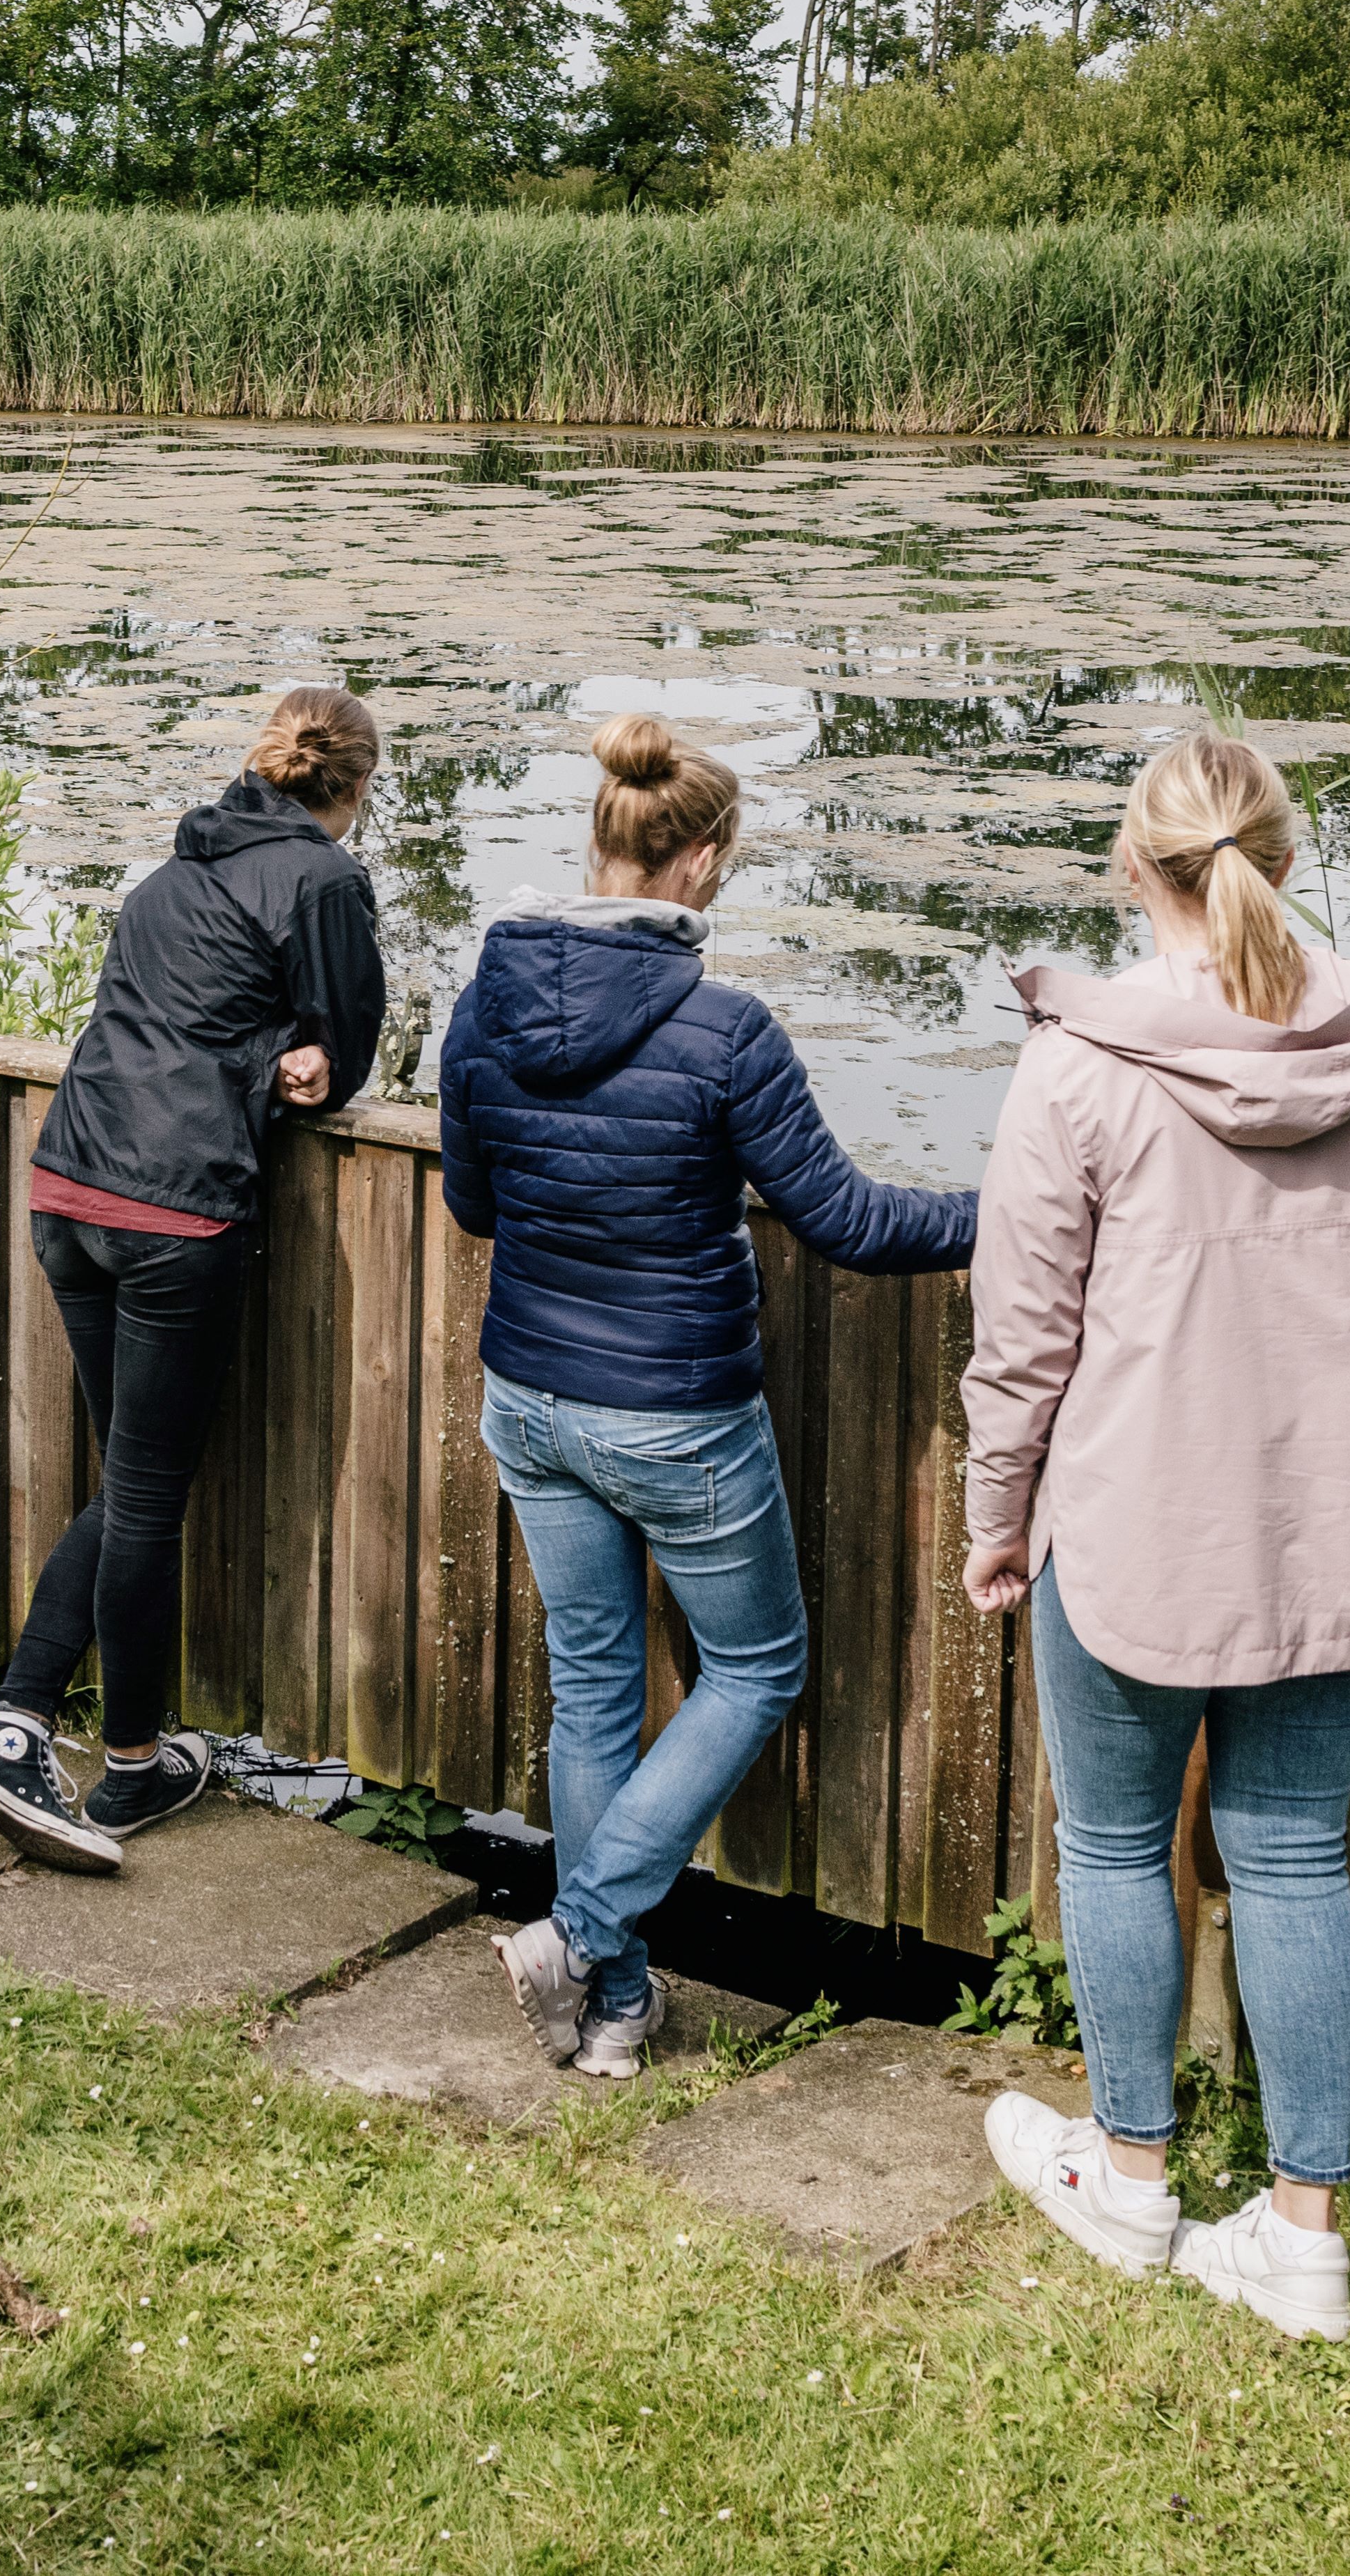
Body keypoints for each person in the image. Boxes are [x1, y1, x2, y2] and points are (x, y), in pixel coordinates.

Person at [958, 731, 1350, 2336]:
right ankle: (1303, 2237)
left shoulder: (1081, 1062)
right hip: (1349, 1530)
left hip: (1139, 1529)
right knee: (1291, 1858)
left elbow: (1022, 1339)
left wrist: (998, 1520)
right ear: (1286, 853)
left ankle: (1133, 2185)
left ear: (1135, 872)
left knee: (1118, 1846)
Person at [435, 715, 974, 2077]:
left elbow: (474, 1202)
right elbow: (848, 1220)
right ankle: (587, 1932)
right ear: (706, 861)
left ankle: (614, 2017)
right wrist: (1014, 1206)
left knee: (597, 1683)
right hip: (676, 1414)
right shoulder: (725, 1030)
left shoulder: (488, 1003)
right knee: (757, 1664)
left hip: (532, 1395)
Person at [0, 684, 387, 1875]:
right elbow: (349, 1038)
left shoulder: (169, 875)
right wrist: (307, 1062)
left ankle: (114, 1759)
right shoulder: (326, 881)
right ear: (355, 786)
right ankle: (39, 1736)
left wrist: (271, 1051)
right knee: (141, 1494)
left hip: (68, 1189)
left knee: (126, 1482)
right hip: (172, 1211)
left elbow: (184, 1022)